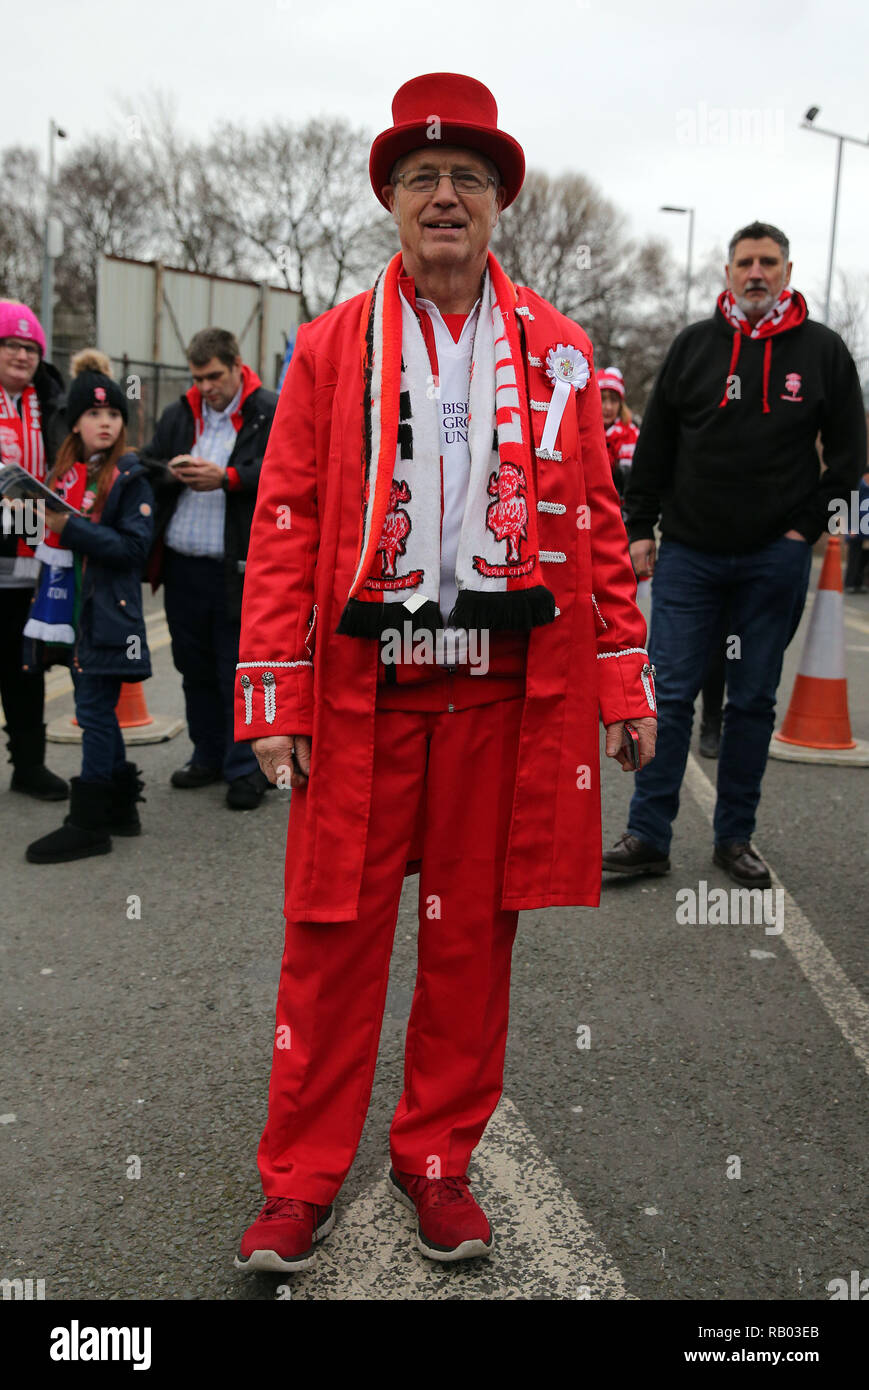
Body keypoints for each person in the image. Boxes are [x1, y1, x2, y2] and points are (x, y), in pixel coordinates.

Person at [232, 72, 657, 1274]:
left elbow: (590, 514)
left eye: (467, 178)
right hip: (368, 694)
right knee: (329, 938)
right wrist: (274, 691)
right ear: (388, 199)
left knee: (470, 938)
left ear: (497, 205)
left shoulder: (561, 351)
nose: (444, 197)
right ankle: (299, 1179)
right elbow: (288, 518)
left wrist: (621, 684)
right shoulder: (329, 348)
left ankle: (434, 1159)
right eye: (421, 177)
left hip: (498, 693)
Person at [605, 220, 866, 888]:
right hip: (688, 555)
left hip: (771, 561)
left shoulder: (822, 351)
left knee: (750, 702)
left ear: (786, 270)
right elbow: (656, 445)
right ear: (726, 272)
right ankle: (648, 835)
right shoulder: (694, 346)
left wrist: (801, 530)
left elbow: (848, 455)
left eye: (767, 262)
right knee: (665, 696)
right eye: (744, 262)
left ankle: (734, 838)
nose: (755, 272)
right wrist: (640, 528)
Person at [23, 353, 153, 863]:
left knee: (94, 714)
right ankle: (121, 809)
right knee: (97, 712)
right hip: (72, 613)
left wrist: (67, 526)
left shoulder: (129, 477)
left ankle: (88, 823)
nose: (106, 422)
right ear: (75, 421)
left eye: (114, 415)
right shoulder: (69, 473)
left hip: (108, 618)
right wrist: (27, 513)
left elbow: (132, 550)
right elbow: (50, 542)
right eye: (95, 415)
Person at [140, 328, 278, 810]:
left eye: (215, 376)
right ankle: (208, 755)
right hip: (183, 566)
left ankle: (249, 768)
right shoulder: (181, 412)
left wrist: (229, 478)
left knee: (238, 669)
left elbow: (290, 473)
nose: (207, 387)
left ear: (238, 364)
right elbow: (147, 462)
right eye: (199, 378)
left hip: (240, 567)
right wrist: (170, 471)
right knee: (192, 665)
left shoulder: (269, 409)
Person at [0, 300, 68, 800]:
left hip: (32, 557)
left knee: (26, 667)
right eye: (11, 345)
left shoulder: (52, 399)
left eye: (30, 347)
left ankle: (29, 765)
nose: (22, 355)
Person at [597, 366, 639, 498]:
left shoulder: (632, 434)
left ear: (620, 404)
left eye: (613, 400)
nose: (608, 407)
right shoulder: (583, 432)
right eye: (602, 399)